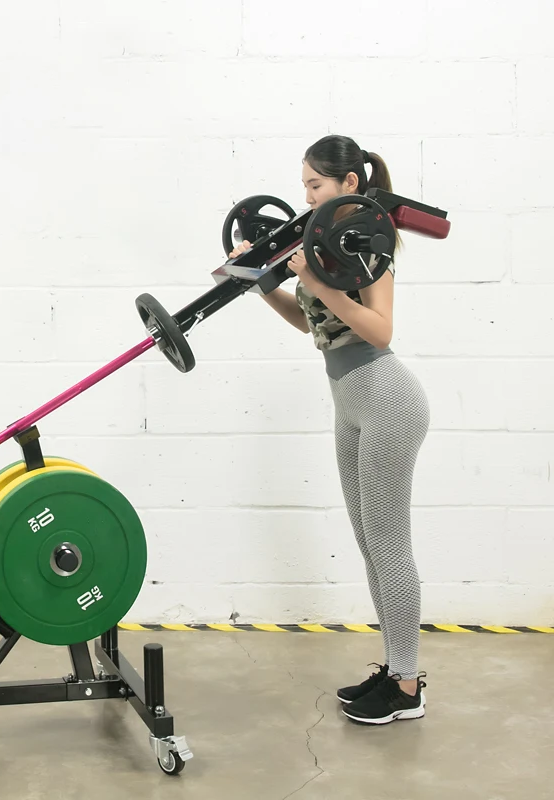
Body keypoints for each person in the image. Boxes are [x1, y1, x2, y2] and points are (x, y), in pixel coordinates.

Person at [228, 134, 429, 725]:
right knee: (371, 546)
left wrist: (317, 285)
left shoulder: (370, 241)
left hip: (388, 400)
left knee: (390, 549)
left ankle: (410, 685)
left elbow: (380, 330)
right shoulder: (320, 243)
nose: (307, 196)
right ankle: (395, 670)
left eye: (315, 185)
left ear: (349, 185)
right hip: (350, 404)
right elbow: (313, 325)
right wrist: (260, 282)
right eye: (304, 186)